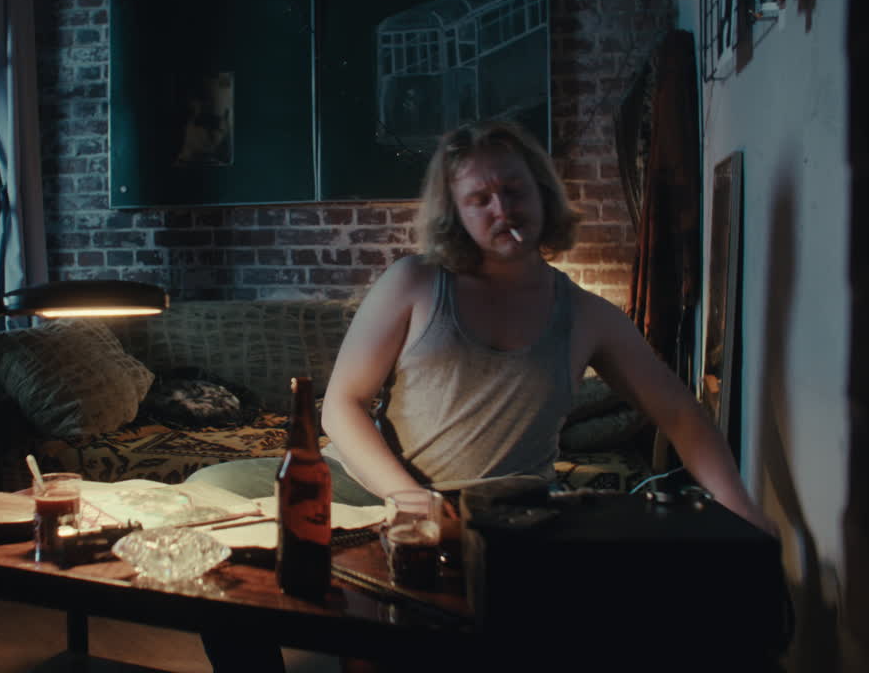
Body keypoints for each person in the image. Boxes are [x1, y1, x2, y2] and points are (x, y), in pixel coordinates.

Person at [187, 118, 775, 671]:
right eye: (480, 199)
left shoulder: (589, 316)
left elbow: (680, 413)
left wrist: (742, 510)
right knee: (203, 513)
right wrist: (407, 498)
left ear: (542, 194)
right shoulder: (415, 282)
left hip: (502, 515)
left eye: (514, 190)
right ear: (457, 215)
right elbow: (341, 405)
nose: (502, 208)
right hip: (372, 488)